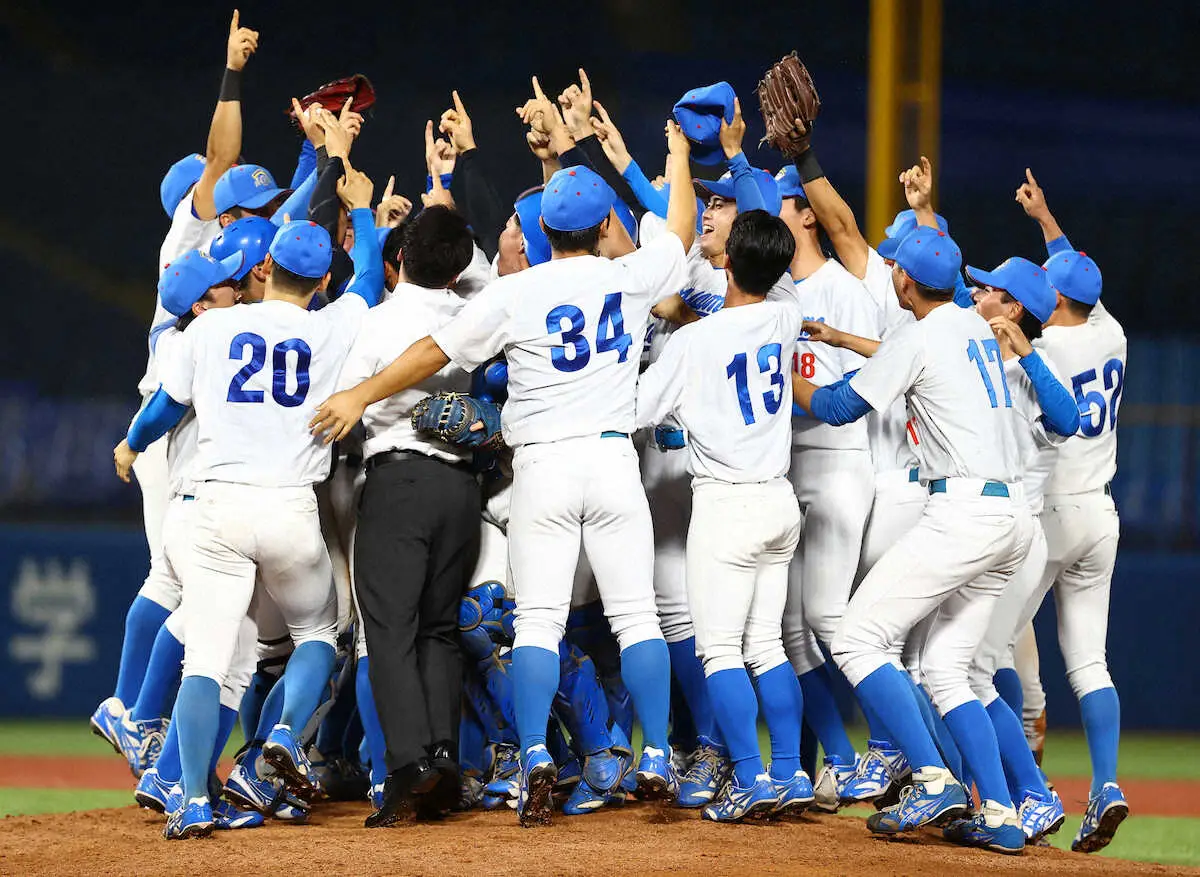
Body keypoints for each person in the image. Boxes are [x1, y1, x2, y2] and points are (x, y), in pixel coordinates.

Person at [311, 122, 698, 827]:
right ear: (607, 223)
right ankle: (656, 756)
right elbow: (677, 228)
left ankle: (533, 757)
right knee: (638, 616)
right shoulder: (630, 274)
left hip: (544, 466)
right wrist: (677, 151)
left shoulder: (516, 296)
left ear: (543, 227)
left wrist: (361, 395)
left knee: (540, 622)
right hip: (613, 460)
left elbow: (431, 350)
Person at [120, 166, 383, 839]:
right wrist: (367, 218)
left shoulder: (210, 331)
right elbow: (369, 284)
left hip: (218, 509)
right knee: (319, 635)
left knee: (207, 658)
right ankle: (286, 735)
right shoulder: (333, 326)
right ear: (321, 282)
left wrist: (129, 444)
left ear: (265, 266)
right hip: (291, 508)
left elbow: (160, 410)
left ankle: (192, 798)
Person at [793, 226, 1034, 854]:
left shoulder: (920, 336)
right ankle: (1003, 814)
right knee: (949, 671)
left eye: (896, 266)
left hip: (963, 513)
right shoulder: (974, 329)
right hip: (1011, 516)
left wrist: (781, 371)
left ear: (905, 279)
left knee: (855, 637)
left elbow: (842, 406)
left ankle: (930, 779)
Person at [90, 9, 259, 753]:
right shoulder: (189, 239)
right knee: (176, 576)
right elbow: (221, 159)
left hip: (187, 417)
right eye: (213, 185)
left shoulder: (218, 248)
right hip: (169, 420)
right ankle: (130, 712)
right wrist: (232, 75)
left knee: (178, 577)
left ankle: (131, 712)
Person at [635, 210, 811, 822]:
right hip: (779, 502)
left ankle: (748, 776)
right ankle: (788, 772)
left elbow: (639, 408)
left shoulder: (693, 341)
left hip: (728, 506)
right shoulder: (786, 317)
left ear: (729, 261)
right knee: (767, 645)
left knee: (719, 652)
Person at [335, 205, 482, 827]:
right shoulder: (479, 314)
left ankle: (407, 767)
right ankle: (445, 758)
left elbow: (342, 415)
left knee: (390, 629)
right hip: (462, 486)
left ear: (397, 263)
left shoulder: (379, 320)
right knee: (440, 628)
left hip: (398, 481)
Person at [1017, 168, 1129, 853]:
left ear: (1054, 296)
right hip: (1102, 516)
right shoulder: (1110, 332)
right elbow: (1077, 277)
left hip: (1051, 510)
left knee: (989, 642)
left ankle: (1028, 785)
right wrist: (1048, 215)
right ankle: (1108, 783)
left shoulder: (1045, 348)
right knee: (1091, 662)